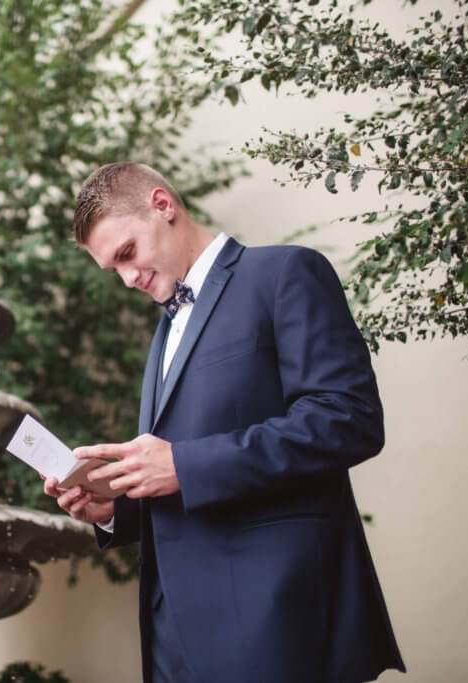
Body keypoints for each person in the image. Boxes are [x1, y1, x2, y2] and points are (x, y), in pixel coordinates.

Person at [43, 162, 406, 683]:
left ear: (163, 205)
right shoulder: (163, 332)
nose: (128, 278)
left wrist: (182, 465)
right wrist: (114, 507)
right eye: (114, 269)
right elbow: (184, 479)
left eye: (127, 253)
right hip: (173, 638)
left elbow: (349, 418)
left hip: (276, 622)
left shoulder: (285, 273)